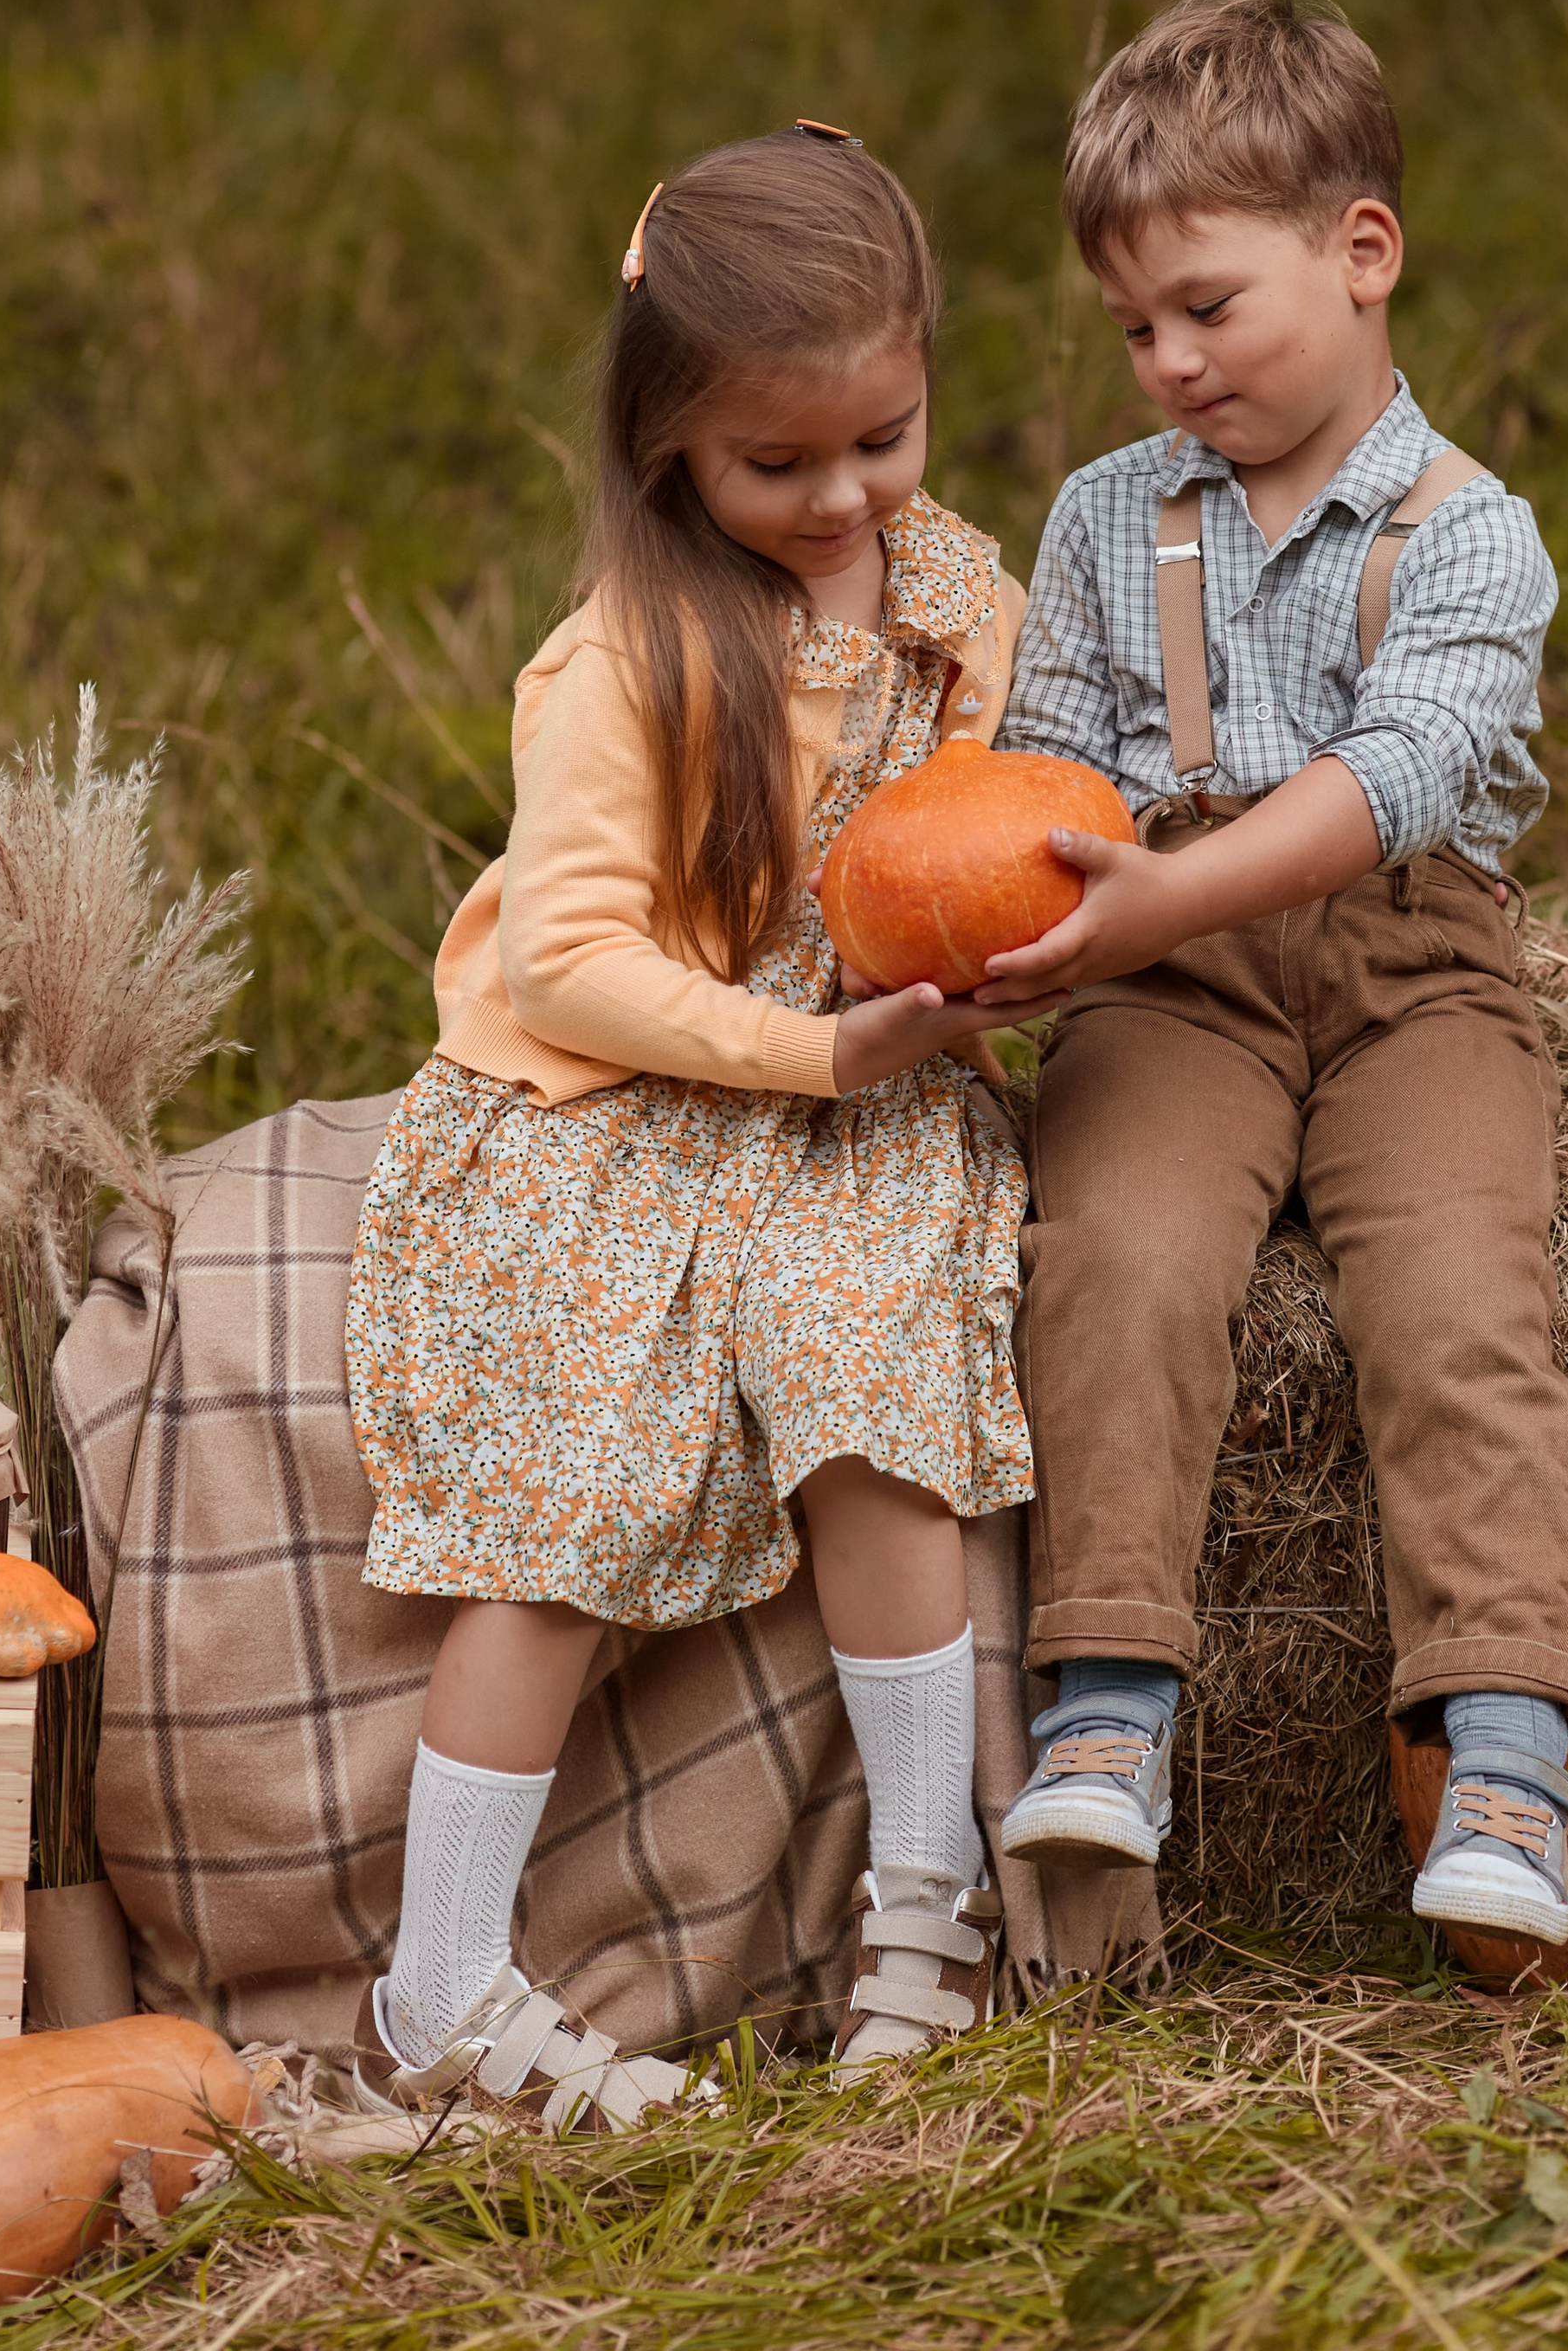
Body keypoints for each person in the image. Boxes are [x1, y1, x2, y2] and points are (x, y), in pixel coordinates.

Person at [344, 124, 1050, 2119]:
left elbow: (990, 824)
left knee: (870, 1392)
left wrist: (1019, 954)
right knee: (558, 1497)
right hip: (639, 1097)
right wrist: (813, 1054)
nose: (842, 500)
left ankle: (925, 1902)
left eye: (883, 438)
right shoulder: (632, 660)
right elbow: (566, 964)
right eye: (780, 464)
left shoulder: (951, 597)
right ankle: (443, 1992)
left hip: (864, 1084)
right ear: (668, 444)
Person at [974, 0, 1568, 1948]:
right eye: (1130, 327)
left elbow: (1401, 770)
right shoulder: (1101, 521)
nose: (1165, 360)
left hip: (1409, 970)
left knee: (1455, 1289)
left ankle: (1501, 1741)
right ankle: (1104, 1709)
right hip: (1173, 990)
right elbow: (1057, 753)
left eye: (1206, 309)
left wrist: (1175, 888)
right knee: (1121, 1257)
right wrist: (1037, 903)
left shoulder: (1472, 534)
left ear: (1360, 254)